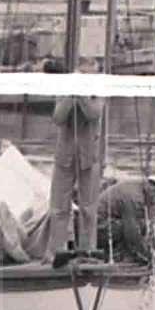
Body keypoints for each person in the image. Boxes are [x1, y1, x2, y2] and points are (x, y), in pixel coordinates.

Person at [46, 92, 105, 258]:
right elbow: (58, 117)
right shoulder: (64, 89)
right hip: (64, 157)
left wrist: (82, 96)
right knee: (59, 208)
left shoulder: (97, 90)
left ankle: (87, 252)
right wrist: (70, 97)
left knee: (88, 209)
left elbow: (94, 114)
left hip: (89, 158)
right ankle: (57, 252)